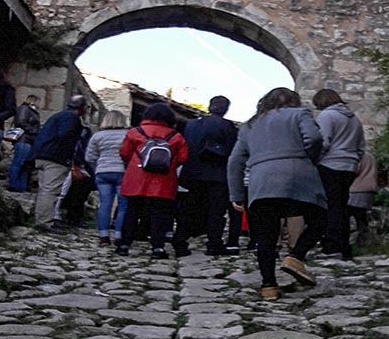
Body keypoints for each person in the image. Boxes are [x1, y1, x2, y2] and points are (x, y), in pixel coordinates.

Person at [227, 87, 327, 301]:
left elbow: (235, 161)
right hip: (298, 175)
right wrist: (310, 159)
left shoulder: (249, 126)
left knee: (265, 235)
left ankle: (269, 286)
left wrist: (236, 193)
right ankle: (296, 257)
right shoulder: (300, 114)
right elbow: (315, 138)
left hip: (262, 181)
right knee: (321, 218)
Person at [116, 103, 188, 259]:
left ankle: (124, 245)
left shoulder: (135, 132)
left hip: (136, 177)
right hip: (163, 180)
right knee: (159, 215)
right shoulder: (176, 136)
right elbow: (183, 157)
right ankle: (157, 248)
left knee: (132, 212)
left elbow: (124, 153)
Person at [174, 95, 239, 257]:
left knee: (190, 209)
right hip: (217, 175)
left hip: (193, 174)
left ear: (210, 107)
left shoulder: (191, 125)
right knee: (216, 211)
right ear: (225, 109)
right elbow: (233, 152)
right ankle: (214, 244)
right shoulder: (227, 126)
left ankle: (180, 240)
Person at [313, 89, 366, 260]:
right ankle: (344, 246)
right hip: (349, 167)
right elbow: (361, 148)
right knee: (342, 206)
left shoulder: (327, 116)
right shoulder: (355, 119)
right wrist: (353, 161)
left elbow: (323, 141)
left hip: (330, 164)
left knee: (330, 207)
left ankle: (332, 245)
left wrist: (314, 160)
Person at [26, 95, 89, 233]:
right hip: (55, 158)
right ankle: (45, 222)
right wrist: (68, 157)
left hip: (42, 155)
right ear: (82, 107)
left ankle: (44, 218)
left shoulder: (59, 115)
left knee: (44, 190)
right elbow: (64, 135)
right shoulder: (71, 118)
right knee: (50, 190)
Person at [85, 110, 130, 246]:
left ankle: (103, 236)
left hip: (103, 172)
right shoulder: (128, 135)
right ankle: (118, 235)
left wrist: (97, 168)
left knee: (104, 204)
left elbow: (89, 157)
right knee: (123, 205)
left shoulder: (98, 136)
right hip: (122, 172)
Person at [7, 94, 41, 192]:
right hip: (24, 139)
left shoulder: (33, 111)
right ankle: (13, 184)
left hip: (29, 140)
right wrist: (34, 132)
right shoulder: (24, 109)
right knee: (19, 162)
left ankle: (22, 186)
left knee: (26, 164)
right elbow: (21, 122)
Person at [348, 151, 378, 245]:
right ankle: (363, 241)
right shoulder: (371, 156)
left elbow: (354, 170)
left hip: (356, 189)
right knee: (361, 217)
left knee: (346, 216)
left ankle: (344, 243)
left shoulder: (357, 155)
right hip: (369, 189)